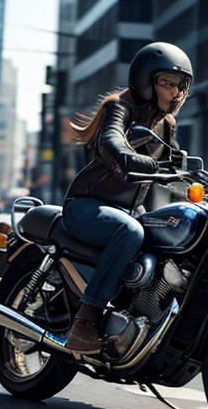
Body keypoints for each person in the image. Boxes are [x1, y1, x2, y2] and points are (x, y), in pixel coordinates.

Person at [62, 42, 193, 355]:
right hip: (87, 205)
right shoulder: (118, 107)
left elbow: (175, 169)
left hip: (129, 209)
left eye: (180, 86)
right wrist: (134, 158)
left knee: (177, 232)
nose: (175, 93)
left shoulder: (166, 123)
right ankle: (87, 319)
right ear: (147, 80)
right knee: (130, 231)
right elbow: (111, 143)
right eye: (168, 83)